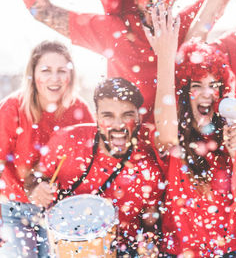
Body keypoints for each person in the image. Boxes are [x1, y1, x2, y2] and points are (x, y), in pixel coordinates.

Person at [20, 0, 228, 122]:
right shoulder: (115, 31)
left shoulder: (184, 25)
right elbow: (43, 11)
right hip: (125, 145)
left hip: (176, 144)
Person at [146, 2, 236, 256]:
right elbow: (169, 132)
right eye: (197, 85)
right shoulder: (172, 136)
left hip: (232, 251)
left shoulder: (230, 131)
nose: (207, 94)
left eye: (214, 85)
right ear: (183, 92)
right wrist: (167, 56)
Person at [29, 77, 163, 256]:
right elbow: (33, 178)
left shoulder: (148, 170)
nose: (118, 125)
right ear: (97, 116)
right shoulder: (67, 141)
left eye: (127, 115)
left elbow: (150, 225)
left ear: (138, 117)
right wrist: (37, 188)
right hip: (65, 247)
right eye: (108, 115)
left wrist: (149, 244)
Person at [0, 40, 93, 257]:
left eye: (62, 71)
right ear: (33, 74)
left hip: (62, 211)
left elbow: (90, 162)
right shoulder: (12, 108)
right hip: (15, 209)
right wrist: (30, 191)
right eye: (46, 70)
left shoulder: (79, 110)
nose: (55, 78)